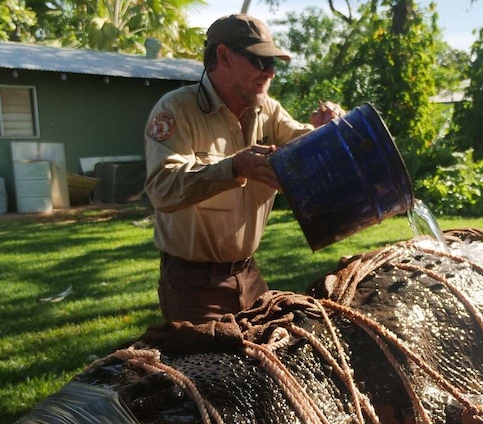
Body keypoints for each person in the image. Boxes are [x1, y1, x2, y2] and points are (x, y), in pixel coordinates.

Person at [143, 13, 343, 324]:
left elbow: (301, 145)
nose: (271, 73)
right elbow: (162, 188)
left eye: (273, 64)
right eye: (260, 61)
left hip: (249, 275)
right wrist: (234, 167)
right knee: (207, 370)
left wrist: (328, 132)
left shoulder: (268, 110)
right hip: (193, 285)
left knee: (268, 362)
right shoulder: (176, 110)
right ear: (223, 55)